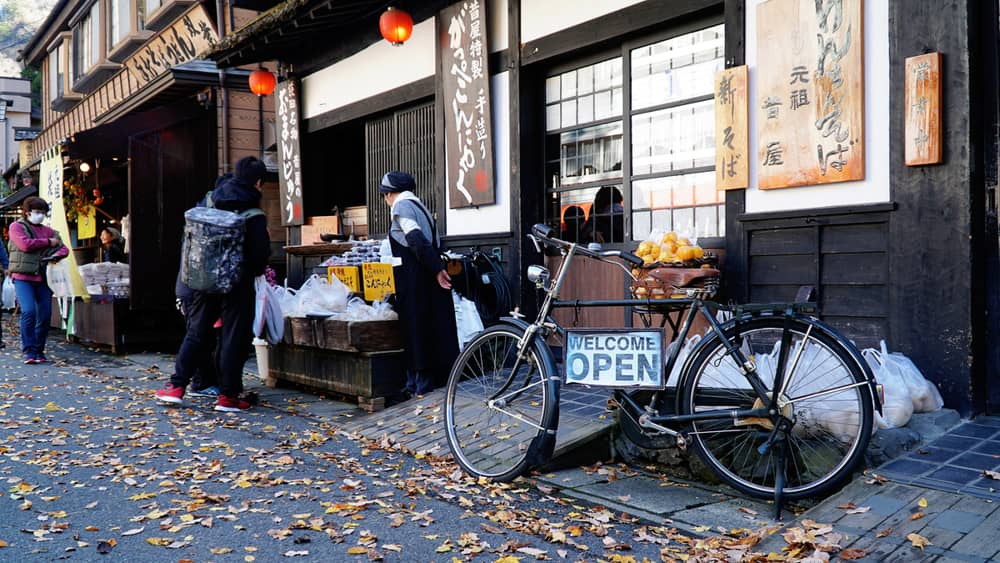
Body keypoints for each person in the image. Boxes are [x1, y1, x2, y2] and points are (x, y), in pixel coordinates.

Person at [156, 156, 270, 412]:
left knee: (196, 332)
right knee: (233, 337)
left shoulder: (210, 200)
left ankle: (176, 386)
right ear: (258, 182)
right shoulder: (253, 213)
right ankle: (228, 397)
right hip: (237, 283)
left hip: (203, 278)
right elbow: (259, 255)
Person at [380, 171, 458, 397]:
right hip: (424, 277)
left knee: (415, 328)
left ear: (389, 194)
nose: (385, 199)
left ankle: (420, 385)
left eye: (385, 195)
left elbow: (415, 238)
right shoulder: (420, 206)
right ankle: (417, 382)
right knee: (427, 326)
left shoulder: (402, 206)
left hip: (413, 280)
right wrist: (436, 268)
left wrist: (437, 270)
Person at [7, 197, 69, 363]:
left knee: (45, 314)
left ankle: (39, 350)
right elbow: (25, 245)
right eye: (37, 212)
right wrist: (48, 242)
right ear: (27, 212)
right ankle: (29, 350)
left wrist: (53, 255)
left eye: (43, 212)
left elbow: (63, 248)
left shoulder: (48, 230)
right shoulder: (16, 227)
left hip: (43, 277)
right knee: (28, 311)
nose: (40, 215)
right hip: (22, 277)